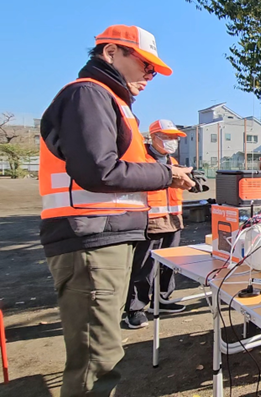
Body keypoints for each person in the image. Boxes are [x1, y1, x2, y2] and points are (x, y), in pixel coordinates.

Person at [39, 25, 194, 396]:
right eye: (144, 64)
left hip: (105, 235)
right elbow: (99, 170)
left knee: (102, 352)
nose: (149, 74)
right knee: (98, 361)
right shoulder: (89, 94)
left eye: (153, 69)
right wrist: (167, 174)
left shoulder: (109, 101)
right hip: (90, 237)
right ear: (110, 53)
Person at [124, 120, 188, 329]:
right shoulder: (141, 159)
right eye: (167, 136)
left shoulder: (173, 161)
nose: (172, 141)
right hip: (150, 220)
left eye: (175, 137)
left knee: (170, 263)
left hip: (173, 220)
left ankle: (162, 299)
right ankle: (135, 308)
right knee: (144, 265)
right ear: (153, 137)